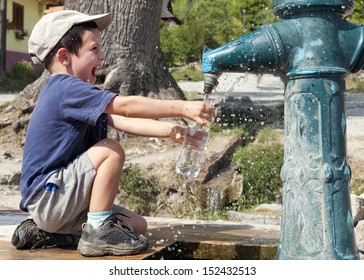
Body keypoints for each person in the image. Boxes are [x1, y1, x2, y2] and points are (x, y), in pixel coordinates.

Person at [11, 10, 213, 257]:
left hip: (61, 202)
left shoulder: (75, 94)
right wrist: (184, 107)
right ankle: (96, 232)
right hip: (50, 197)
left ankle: (55, 233)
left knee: (138, 225)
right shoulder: (65, 88)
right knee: (110, 149)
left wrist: (173, 131)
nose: (102, 56)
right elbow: (126, 106)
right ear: (64, 56)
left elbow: (122, 120)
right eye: (94, 49)